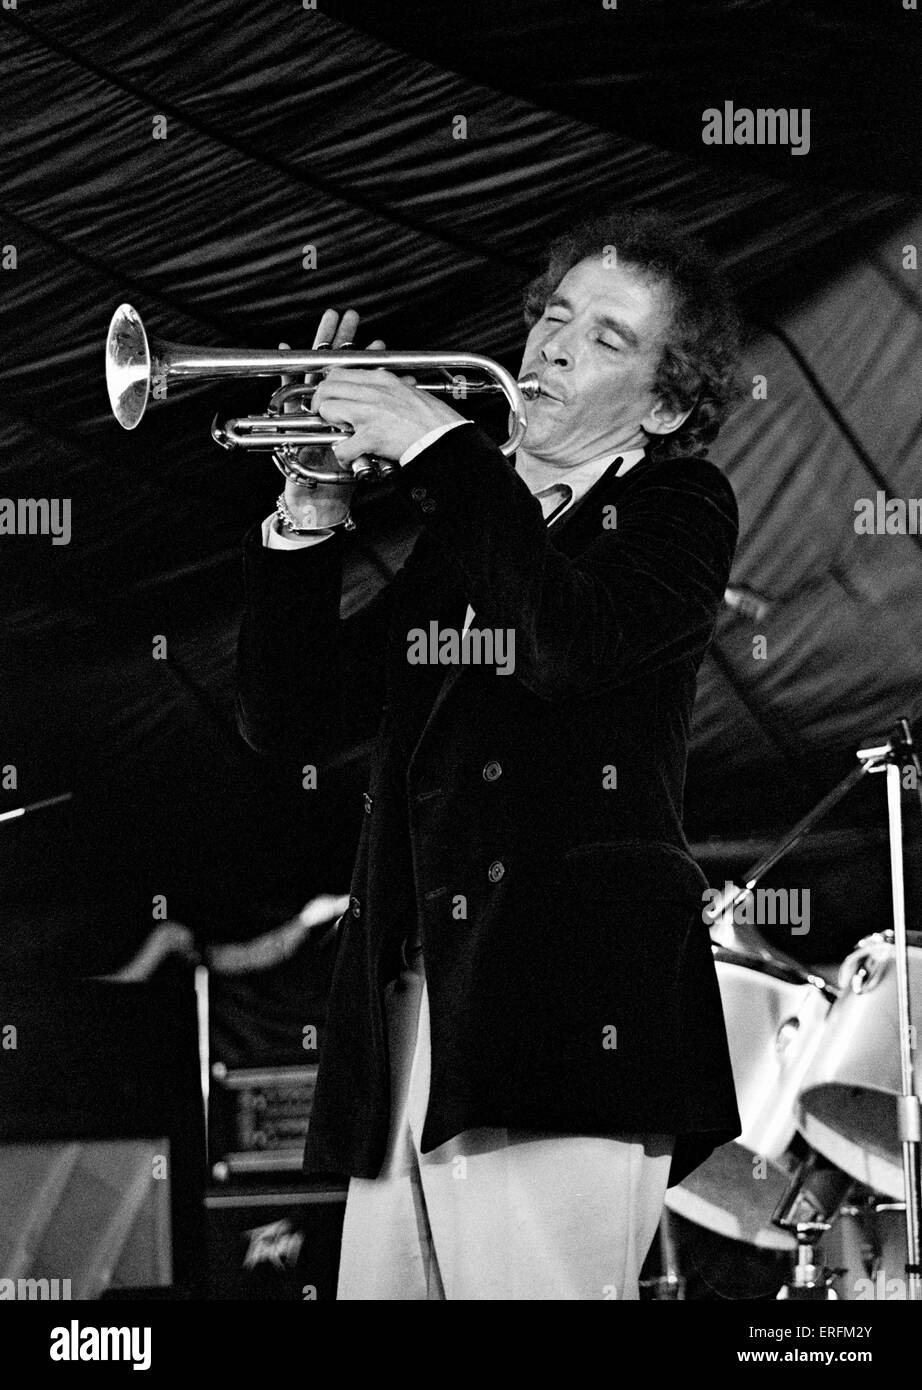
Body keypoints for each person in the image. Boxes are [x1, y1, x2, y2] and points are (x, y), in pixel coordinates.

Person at [236, 209, 744, 1300]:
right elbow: (294, 720)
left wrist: (442, 448)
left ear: (663, 405)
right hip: (419, 1014)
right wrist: (312, 511)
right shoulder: (478, 530)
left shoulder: (675, 506)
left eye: (606, 338)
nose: (553, 347)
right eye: (553, 317)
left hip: (569, 1024)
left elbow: (560, 644)